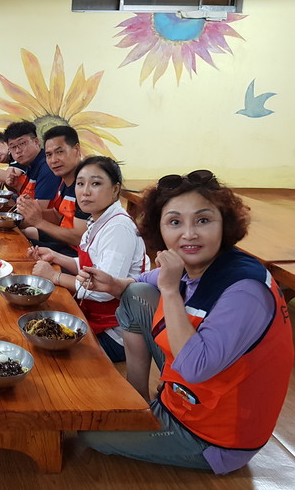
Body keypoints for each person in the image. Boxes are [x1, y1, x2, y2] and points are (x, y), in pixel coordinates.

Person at [77, 170, 293, 474]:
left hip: (215, 436)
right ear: (160, 229)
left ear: (224, 224)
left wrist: (169, 290)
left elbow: (194, 368)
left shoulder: (245, 290)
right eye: (175, 222)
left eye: (203, 220)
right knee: (136, 294)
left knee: (88, 431)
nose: (189, 234)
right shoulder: (194, 265)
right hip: (188, 392)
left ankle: (157, 419)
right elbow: (144, 281)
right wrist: (114, 283)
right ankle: (137, 398)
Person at [30, 156, 148, 362]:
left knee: (46, 358)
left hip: (117, 334)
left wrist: (55, 276)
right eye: (80, 183)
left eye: (96, 184)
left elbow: (103, 290)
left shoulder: (118, 228)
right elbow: (90, 266)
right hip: (95, 318)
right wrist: (56, 256)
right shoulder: (98, 220)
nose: (85, 191)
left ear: (115, 189)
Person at [17, 125, 89, 256]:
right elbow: (58, 215)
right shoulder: (64, 180)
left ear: (77, 149)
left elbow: (79, 238)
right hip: (64, 241)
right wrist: (30, 209)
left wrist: (39, 222)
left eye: (60, 152)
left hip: (78, 253)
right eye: (49, 155)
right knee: (18, 236)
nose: (54, 160)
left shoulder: (85, 186)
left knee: (21, 250)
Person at [3, 120, 61, 206]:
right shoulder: (29, 164)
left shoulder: (47, 166)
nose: (18, 151)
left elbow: (40, 208)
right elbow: (29, 197)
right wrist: (17, 186)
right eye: (13, 147)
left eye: (22, 143)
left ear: (36, 142)